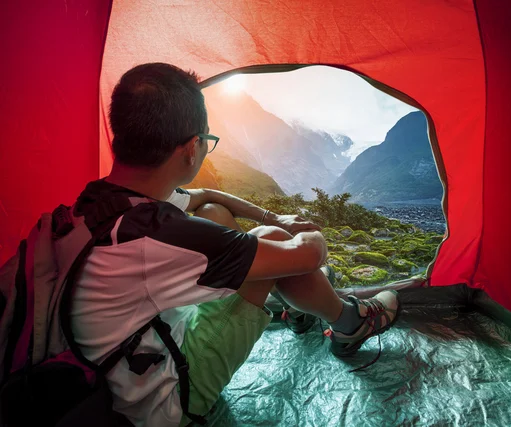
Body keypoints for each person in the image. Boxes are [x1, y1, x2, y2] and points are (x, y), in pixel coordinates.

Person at [71, 62, 401, 426]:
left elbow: (206, 196)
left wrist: (271, 217)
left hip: (102, 376)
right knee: (275, 245)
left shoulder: (91, 208)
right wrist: (305, 228)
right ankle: (350, 322)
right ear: (192, 149)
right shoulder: (159, 237)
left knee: (216, 212)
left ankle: (301, 305)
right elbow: (308, 252)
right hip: (158, 403)